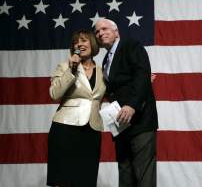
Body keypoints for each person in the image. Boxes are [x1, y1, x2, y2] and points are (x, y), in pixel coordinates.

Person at [95, 18, 158, 187]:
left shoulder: (130, 45)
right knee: (125, 171)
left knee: (143, 173)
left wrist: (132, 105)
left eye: (104, 29)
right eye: (97, 31)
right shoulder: (106, 60)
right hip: (121, 124)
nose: (100, 33)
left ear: (116, 32)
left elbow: (141, 74)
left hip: (140, 120)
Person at [47, 30, 106, 187]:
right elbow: (54, 93)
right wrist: (71, 70)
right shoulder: (65, 67)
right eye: (75, 42)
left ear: (92, 44)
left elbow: (115, 92)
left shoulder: (103, 71)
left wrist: (140, 81)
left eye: (83, 40)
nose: (79, 44)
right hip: (65, 129)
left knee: (86, 180)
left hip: (91, 131)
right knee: (64, 180)